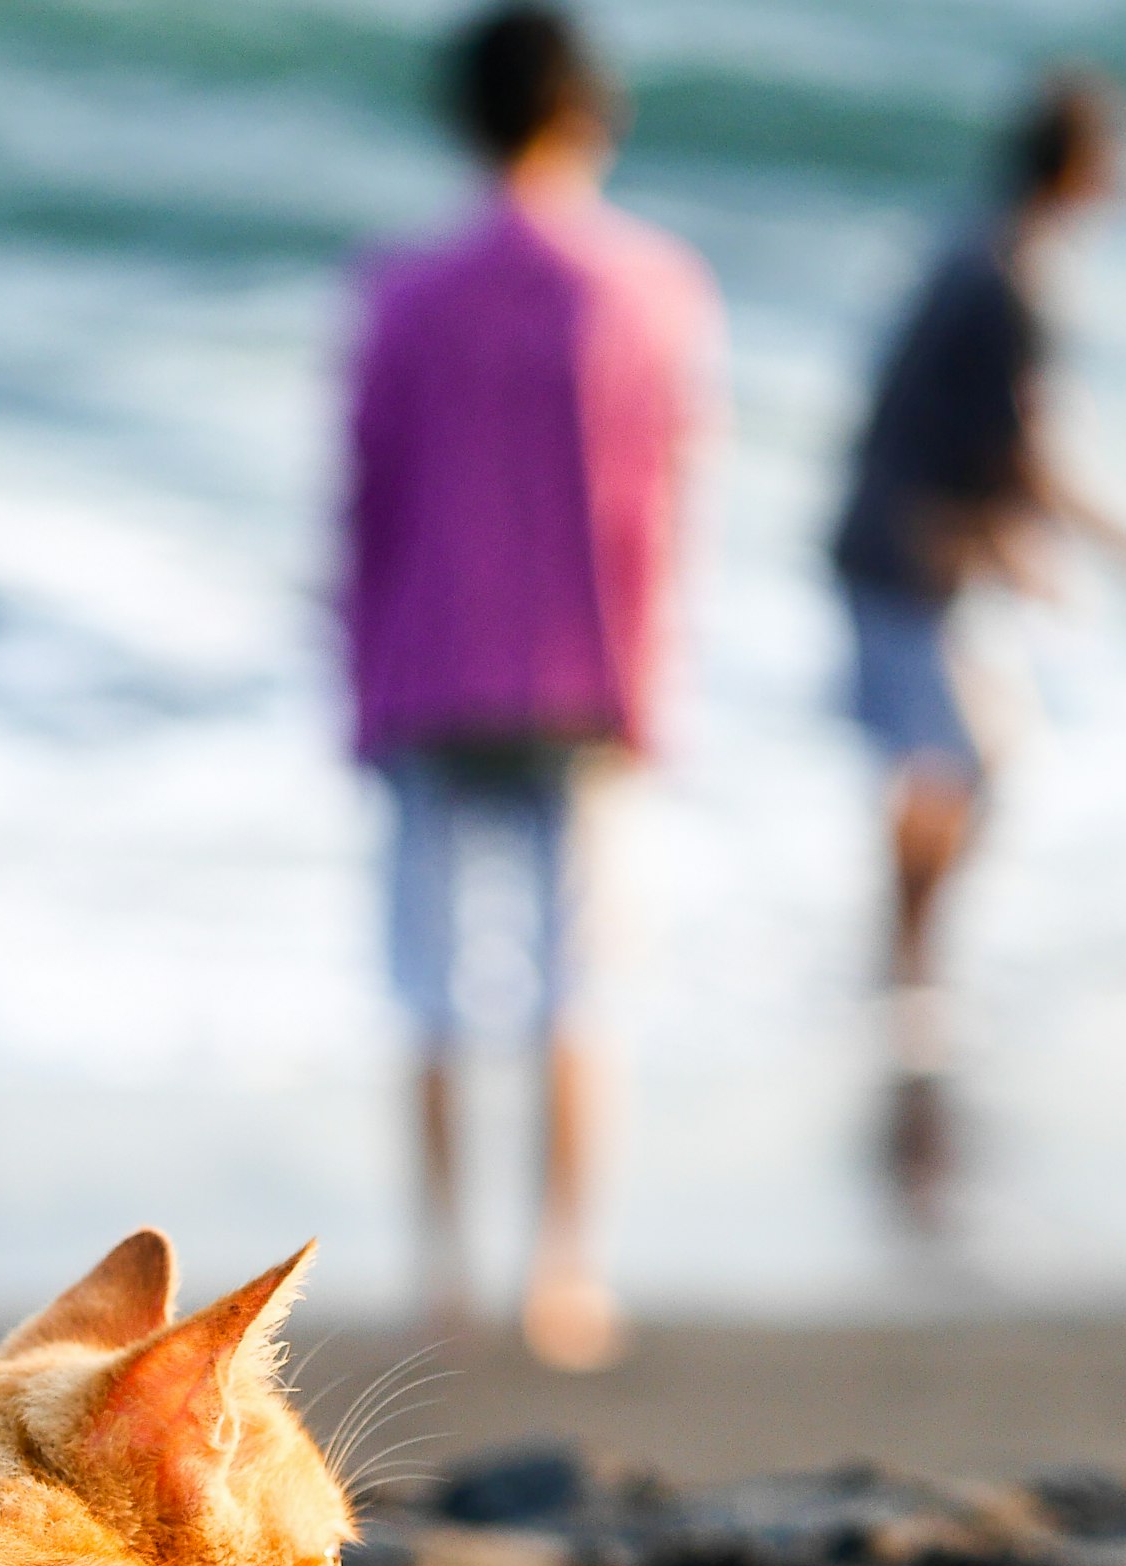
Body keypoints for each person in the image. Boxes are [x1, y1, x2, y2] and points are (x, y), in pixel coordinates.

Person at [343, 5, 720, 1367]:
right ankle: (565, 1273)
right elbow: (655, 511)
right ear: (586, 112)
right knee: (577, 986)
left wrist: (357, 677)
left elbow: (366, 503)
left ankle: (444, 1271)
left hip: (432, 664)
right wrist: (650, 683)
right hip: (584, 671)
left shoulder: (399, 287)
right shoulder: (648, 284)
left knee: (431, 983)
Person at [835, 70, 1125, 1197]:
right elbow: (1019, 451)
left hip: (905, 551)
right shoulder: (1009, 279)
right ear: (1074, 167)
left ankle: (907, 975)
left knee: (951, 763)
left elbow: (946, 428)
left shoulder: (973, 252)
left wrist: (1011, 541)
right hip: (907, 561)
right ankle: (907, 979)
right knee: (969, 761)